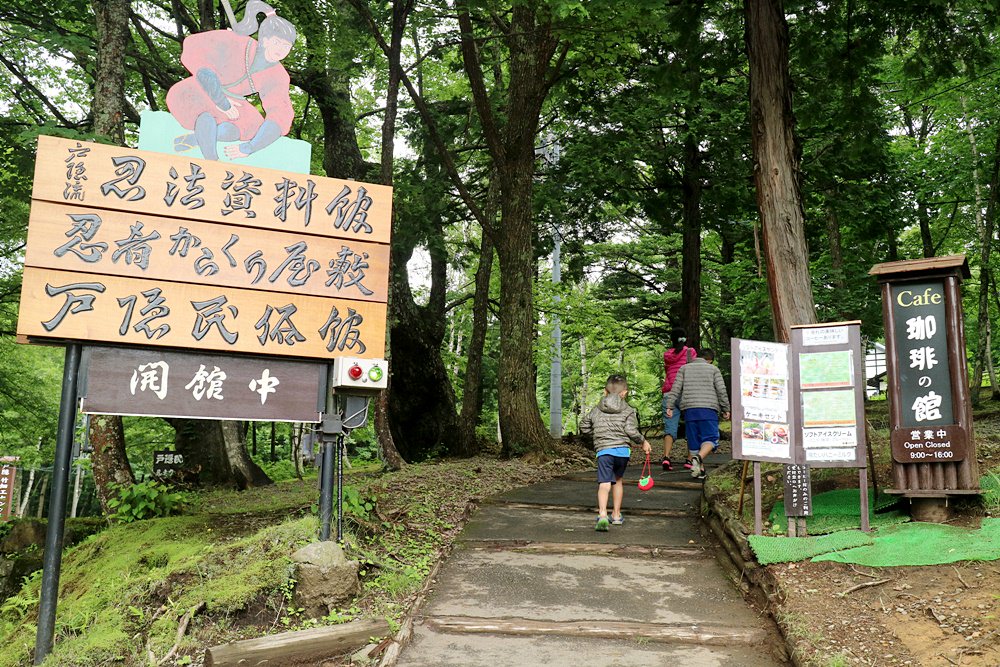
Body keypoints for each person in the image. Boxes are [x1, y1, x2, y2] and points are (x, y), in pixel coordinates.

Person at [166, 0, 296, 161]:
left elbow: (280, 111)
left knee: (250, 127)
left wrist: (251, 147)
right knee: (205, 116)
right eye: (276, 43)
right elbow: (195, 51)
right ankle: (212, 159)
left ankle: (199, 138)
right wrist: (221, 101)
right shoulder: (236, 41)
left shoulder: (277, 75)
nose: (280, 50)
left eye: (286, 46)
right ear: (265, 39)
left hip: (234, 102)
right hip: (200, 91)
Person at [580, 374, 652, 531]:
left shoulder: (596, 410)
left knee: (604, 483)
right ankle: (617, 515)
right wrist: (643, 441)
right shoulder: (628, 410)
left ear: (605, 391)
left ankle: (603, 514)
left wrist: (598, 436)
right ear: (624, 393)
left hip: (604, 450)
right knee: (618, 481)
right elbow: (630, 430)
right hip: (622, 452)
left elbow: (584, 426)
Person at [665, 348, 730, 480]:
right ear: (710, 360)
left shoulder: (684, 368)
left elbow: (676, 388)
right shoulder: (713, 369)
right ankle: (698, 458)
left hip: (689, 409)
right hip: (708, 409)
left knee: (694, 440)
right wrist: (725, 408)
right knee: (711, 439)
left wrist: (670, 405)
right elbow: (721, 390)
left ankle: (699, 470)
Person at [661, 327, 696, 471]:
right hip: (686, 391)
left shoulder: (667, 355)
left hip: (669, 392)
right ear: (685, 338)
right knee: (691, 425)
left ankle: (666, 457)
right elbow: (693, 369)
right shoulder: (690, 352)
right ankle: (689, 460)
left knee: (670, 426)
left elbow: (668, 371)